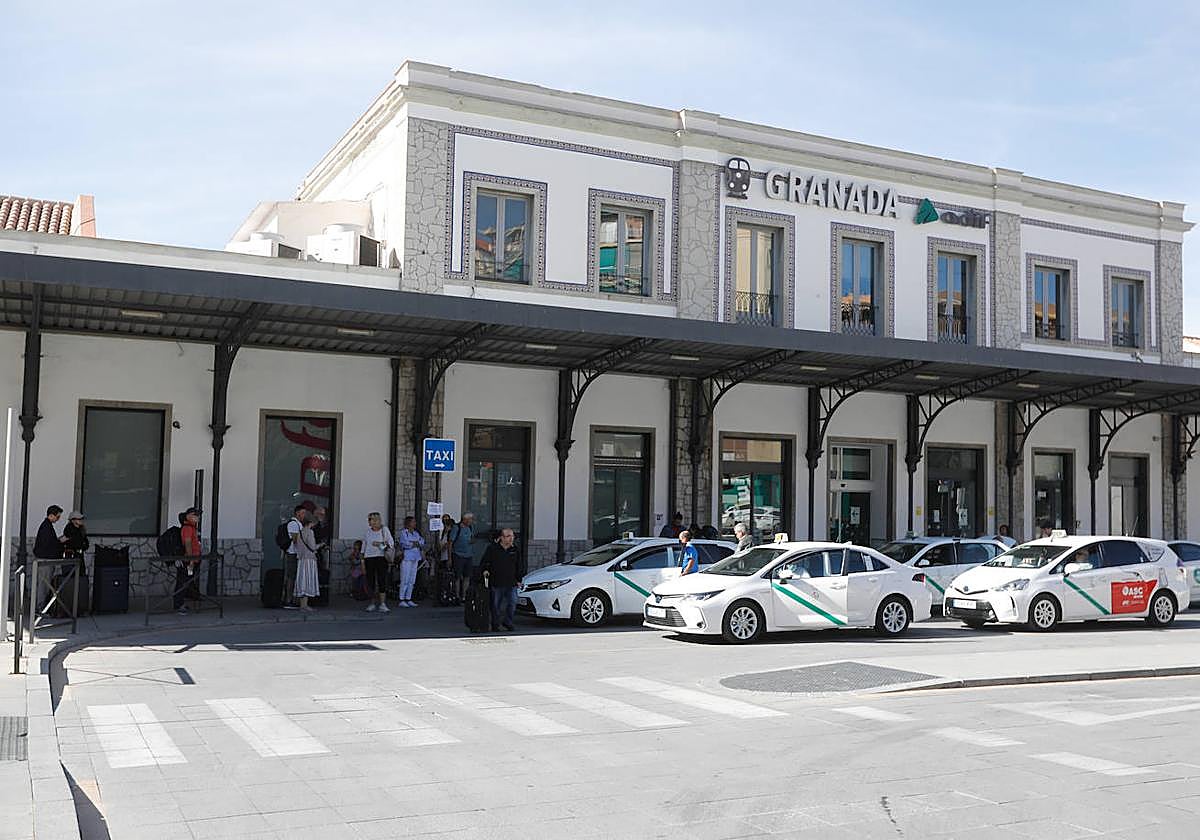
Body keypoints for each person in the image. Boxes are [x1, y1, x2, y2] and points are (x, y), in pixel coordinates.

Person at [480, 527, 524, 632]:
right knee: (495, 605)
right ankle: (495, 624)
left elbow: (519, 565)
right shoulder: (492, 549)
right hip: (496, 582)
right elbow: (485, 562)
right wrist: (485, 570)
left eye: (512, 536)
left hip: (511, 582)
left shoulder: (515, 550)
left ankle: (508, 622)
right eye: (509, 536)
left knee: (512, 603)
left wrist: (519, 579)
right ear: (502, 538)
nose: (511, 539)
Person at [362, 512, 394, 613]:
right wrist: (362, 562)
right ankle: (372, 603)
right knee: (370, 581)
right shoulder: (368, 532)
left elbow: (391, 544)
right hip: (369, 558)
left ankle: (382, 604)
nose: (370, 522)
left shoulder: (385, 530)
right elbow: (363, 547)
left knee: (381, 580)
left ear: (377, 520)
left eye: (371, 519)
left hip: (381, 558)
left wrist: (379, 544)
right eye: (369, 519)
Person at [176, 507, 203, 614]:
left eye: (198, 515)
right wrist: (191, 562)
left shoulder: (192, 528)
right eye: (195, 515)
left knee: (187, 582)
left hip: (193, 560)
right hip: (188, 560)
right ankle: (179, 605)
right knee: (182, 582)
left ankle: (185, 602)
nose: (198, 518)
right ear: (189, 516)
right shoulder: (187, 528)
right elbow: (188, 545)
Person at [293, 515, 321, 612]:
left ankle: (302, 605)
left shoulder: (299, 532)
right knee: (308, 581)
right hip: (309, 560)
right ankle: (305, 606)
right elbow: (313, 547)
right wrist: (320, 545)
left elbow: (297, 545)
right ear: (311, 523)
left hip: (301, 559)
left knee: (302, 581)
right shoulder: (310, 532)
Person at [397, 515, 425, 608]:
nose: (415, 523)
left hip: (415, 557)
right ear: (408, 523)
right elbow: (406, 544)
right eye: (413, 522)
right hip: (407, 558)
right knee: (405, 578)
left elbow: (421, 542)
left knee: (412, 579)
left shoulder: (416, 533)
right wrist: (415, 543)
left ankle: (408, 598)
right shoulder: (404, 533)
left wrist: (415, 543)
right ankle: (402, 599)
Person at [283, 505, 307, 610]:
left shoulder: (298, 524)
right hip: (292, 553)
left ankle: (292, 598)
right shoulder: (293, 524)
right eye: (302, 513)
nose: (304, 515)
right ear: (297, 513)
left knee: (294, 576)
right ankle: (288, 600)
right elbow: (295, 539)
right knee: (291, 576)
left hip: (296, 553)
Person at [448, 513, 476, 601]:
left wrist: (472, 541)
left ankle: (464, 596)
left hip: (468, 555)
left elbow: (472, 538)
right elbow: (450, 543)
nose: (471, 521)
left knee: (467, 576)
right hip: (458, 555)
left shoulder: (470, 528)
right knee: (457, 576)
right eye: (470, 519)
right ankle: (456, 595)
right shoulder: (457, 528)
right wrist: (450, 558)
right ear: (465, 519)